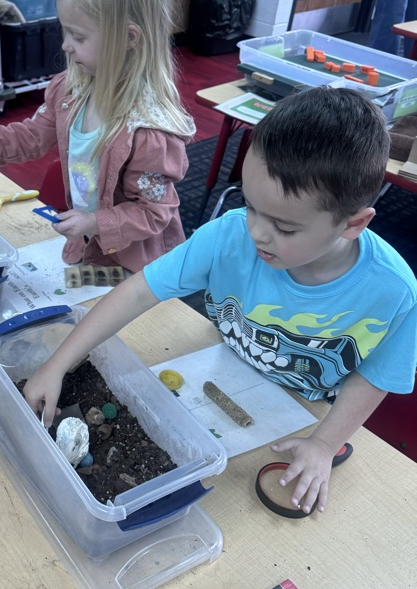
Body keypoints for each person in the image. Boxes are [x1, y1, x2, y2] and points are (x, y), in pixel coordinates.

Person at [23, 87, 417, 515]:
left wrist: (324, 444)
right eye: (250, 205)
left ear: (353, 223)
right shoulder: (228, 235)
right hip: (223, 370)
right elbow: (137, 291)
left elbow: (376, 377)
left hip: (305, 411)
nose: (257, 233)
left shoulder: (392, 291)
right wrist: (58, 363)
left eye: (284, 228)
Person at [0, 0, 196, 272]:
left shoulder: (151, 132)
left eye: (78, 36)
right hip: (88, 246)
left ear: (129, 38)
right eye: (65, 30)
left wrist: (93, 222)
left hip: (137, 265)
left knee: (115, 321)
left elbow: (153, 213)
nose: (64, 45)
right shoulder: (71, 88)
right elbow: (30, 136)